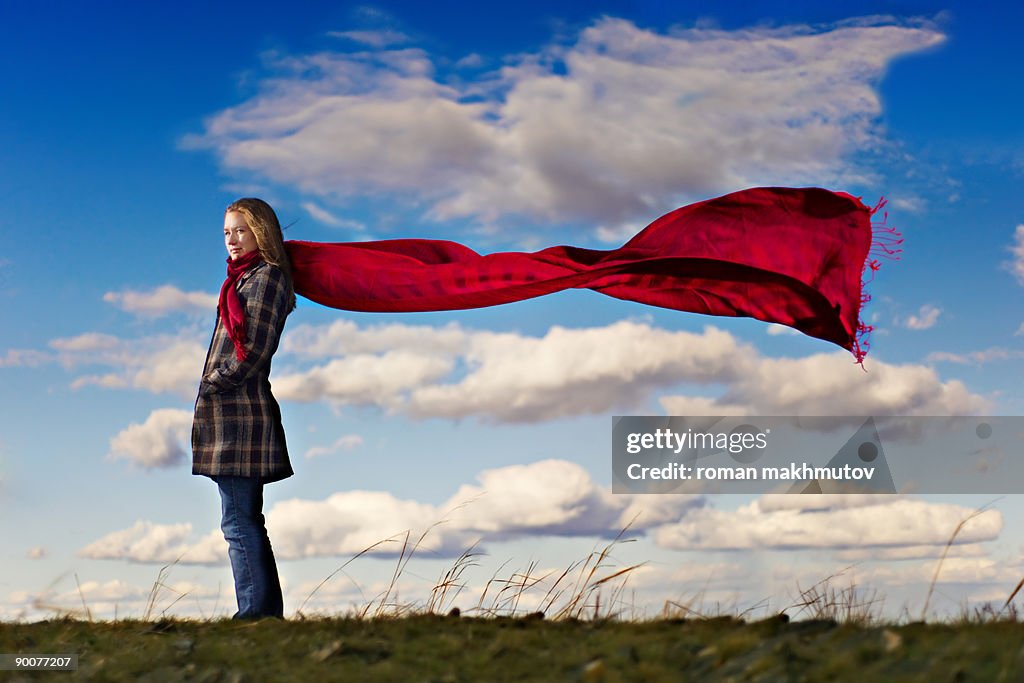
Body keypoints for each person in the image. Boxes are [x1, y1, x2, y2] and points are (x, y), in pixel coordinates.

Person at [191, 198, 297, 620]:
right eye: (226, 233)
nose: (232, 241)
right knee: (240, 520)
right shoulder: (239, 280)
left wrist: (215, 381)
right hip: (228, 416)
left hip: (241, 417)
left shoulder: (267, 277)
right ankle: (260, 613)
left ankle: (256, 615)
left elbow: (253, 349)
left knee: (240, 522)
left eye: (240, 231)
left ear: (261, 233)